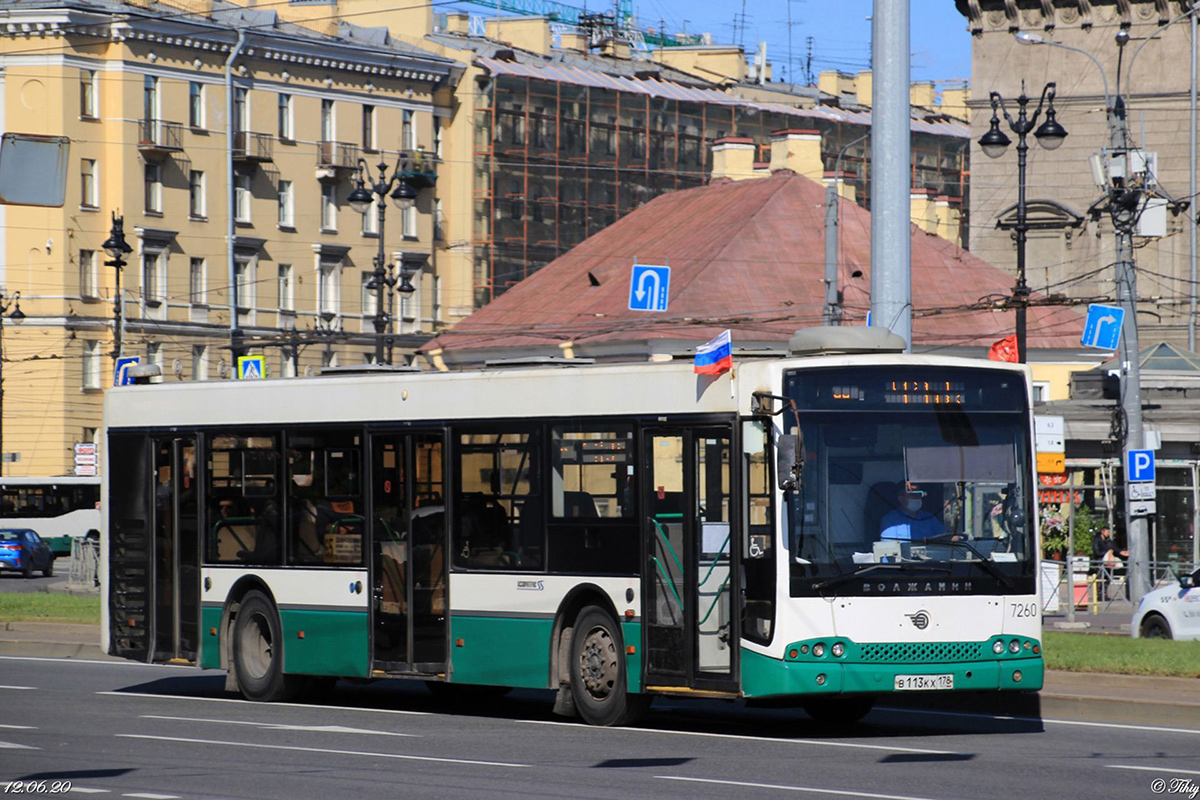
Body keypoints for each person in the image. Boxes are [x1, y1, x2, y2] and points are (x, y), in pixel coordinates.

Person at [880, 484, 946, 541]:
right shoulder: (891, 520)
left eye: (919, 494)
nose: (917, 497)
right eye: (913, 494)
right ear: (901, 499)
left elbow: (946, 536)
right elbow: (889, 549)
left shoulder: (929, 518)